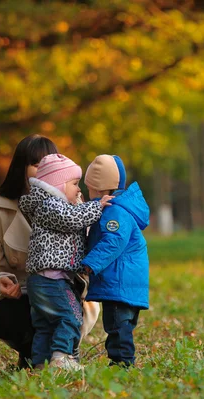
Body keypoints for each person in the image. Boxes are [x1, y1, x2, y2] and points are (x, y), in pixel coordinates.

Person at [0, 135, 100, 369]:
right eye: (36, 164)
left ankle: (54, 356)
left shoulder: (73, 202)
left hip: (66, 286)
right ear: (21, 168)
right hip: (23, 294)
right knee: (16, 316)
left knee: (65, 314)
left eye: (49, 163)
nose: (45, 169)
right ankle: (42, 357)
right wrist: (0, 280)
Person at [19, 154, 113, 371]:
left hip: (44, 279)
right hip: (50, 279)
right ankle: (61, 358)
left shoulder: (49, 203)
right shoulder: (49, 204)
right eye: (74, 183)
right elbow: (71, 218)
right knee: (71, 315)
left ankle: (40, 364)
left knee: (45, 325)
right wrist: (97, 207)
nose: (79, 189)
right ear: (56, 185)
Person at [81, 154, 150, 367]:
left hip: (119, 282)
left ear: (102, 190)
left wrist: (90, 263)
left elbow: (114, 241)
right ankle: (121, 360)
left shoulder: (115, 212)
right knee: (121, 325)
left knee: (117, 326)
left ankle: (122, 363)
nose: (88, 193)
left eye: (90, 189)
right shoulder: (119, 208)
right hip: (126, 282)